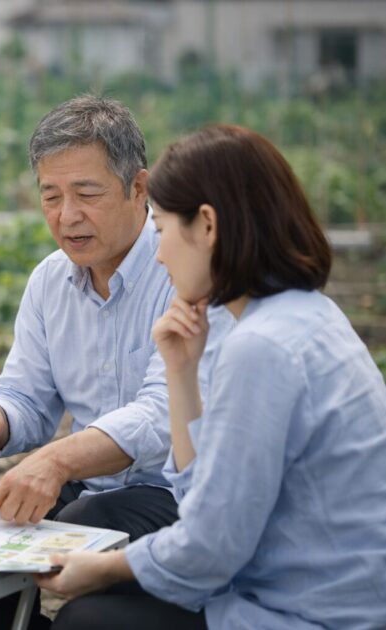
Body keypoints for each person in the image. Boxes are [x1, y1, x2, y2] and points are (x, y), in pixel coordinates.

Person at [37, 124, 386, 629]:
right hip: (309, 594)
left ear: (206, 226)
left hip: (311, 613)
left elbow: (210, 547)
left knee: (89, 620)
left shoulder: (262, 348)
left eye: (161, 231)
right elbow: (200, 500)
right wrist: (181, 372)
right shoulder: (306, 315)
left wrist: (100, 568)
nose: (159, 255)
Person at [0, 95, 230, 629]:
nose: (66, 215)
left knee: (81, 520)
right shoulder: (50, 280)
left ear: (139, 188)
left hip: (170, 492)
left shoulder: (183, 270)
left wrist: (59, 461)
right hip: (88, 488)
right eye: (50, 196)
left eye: (87, 194)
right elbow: (27, 392)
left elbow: (160, 416)